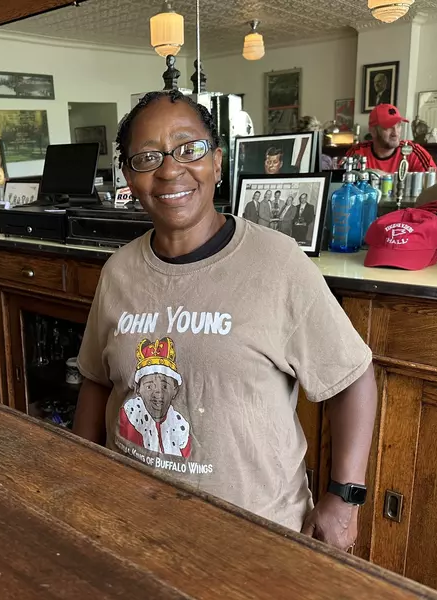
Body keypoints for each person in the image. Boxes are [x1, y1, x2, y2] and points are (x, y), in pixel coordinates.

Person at [72, 89, 377, 551]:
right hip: (135, 521)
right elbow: (97, 381)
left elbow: (351, 377)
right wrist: (82, 475)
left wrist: (345, 498)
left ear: (217, 162)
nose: (171, 169)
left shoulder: (277, 262)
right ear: (128, 179)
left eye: (188, 149)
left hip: (255, 535)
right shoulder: (119, 271)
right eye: (147, 157)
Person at [346, 104, 435, 174]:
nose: (395, 133)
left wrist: (386, 177)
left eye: (399, 125)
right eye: (388, 127)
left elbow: (434, 184)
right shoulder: (358, 152)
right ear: (373, 131)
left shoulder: (413, 151)